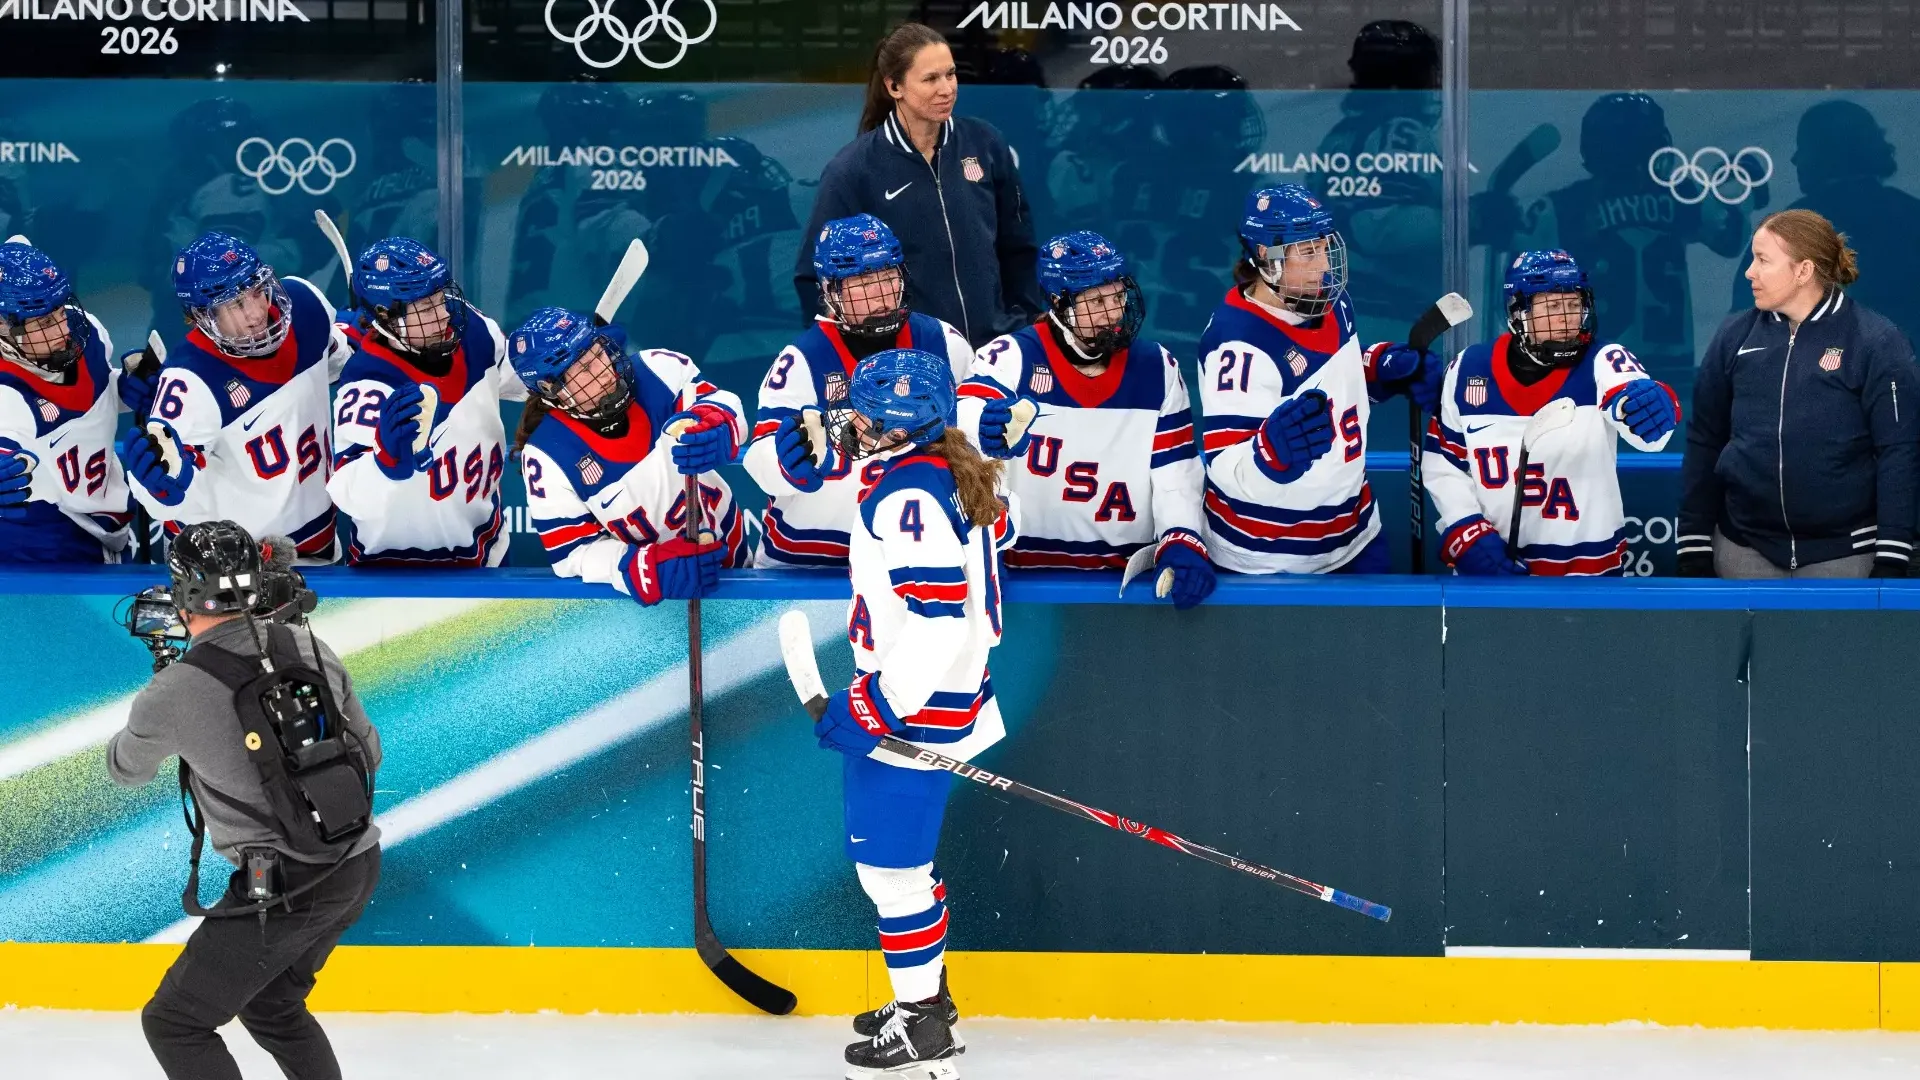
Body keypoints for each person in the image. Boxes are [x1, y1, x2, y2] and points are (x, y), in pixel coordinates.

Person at [108, 520, 382, 1080]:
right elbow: (369, 753)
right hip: (355, 864)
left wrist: (167, 687)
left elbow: (125, 770)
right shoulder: (307, 643)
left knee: (175, 1023)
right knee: (273, 1004)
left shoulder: (173, 691)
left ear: (182, 594)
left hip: (282, 885)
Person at [812, 346, 1013, 1079]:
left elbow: (938, 620)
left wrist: (875, 704)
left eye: (866, 412)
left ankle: (923, 1025)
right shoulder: (947, 471)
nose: (854, 421)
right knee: (906, 870)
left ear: (895, 423)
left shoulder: (908, 497)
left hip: (917, 711)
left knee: (891, 874)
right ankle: (925, 994)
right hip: (948, 697)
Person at [958, 230, 1214, 608]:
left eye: (1117, 295)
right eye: (1096, 301)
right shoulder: (1011, 357)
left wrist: (1183, 535)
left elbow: (1176, 472)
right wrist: (982, 427)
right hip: (1026, 580)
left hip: (1130, 583)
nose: (1112, 312)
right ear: (1059, 304)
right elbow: (966, 415)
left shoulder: (1157, 368)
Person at [1196, 184, 1444, 574]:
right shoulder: (1238, 343)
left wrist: (1380, 370)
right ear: (1267, 256)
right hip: (1268, 558)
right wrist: (1269, 454)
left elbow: (1335, 377)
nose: (1324, 266)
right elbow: (1225, 467)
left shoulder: (1330, 300)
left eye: (1324, 247)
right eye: (1308, 252)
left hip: (1355, 535)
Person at [1679, 210, 1919, 579]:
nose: (1749, 272)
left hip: (1844, 556)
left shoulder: (1875, 341)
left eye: (1762, 260)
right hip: (1743, 551)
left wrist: (1892, 551)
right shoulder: (1734, 336)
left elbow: (1899, 449)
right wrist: (1694, 541)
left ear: (1803, 271)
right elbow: (1704, 440)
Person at [1425, 250, 1678, 576]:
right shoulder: (1467, 369)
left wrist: (1650, 408)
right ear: (1518, 312)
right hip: (1494, 568)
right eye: (1552, 306)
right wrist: (1465, 530)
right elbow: (1445, 463)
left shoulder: (1604, 360)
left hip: (1588, 575)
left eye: (1573, 305)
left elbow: (1645, 430)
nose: (1566, 319)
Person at [795, 21, 1044, 347]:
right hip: (910, 363)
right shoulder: (853, 170)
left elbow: (1018, 248)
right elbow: (815, 278)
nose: (947, 88)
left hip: (994, 356)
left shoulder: (985, 143)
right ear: (894, 87)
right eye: (930, 79)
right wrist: (865, 351)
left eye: (951, 74)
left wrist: (1017, 326)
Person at [745, 214, 973, 568]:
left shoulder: (944, 344)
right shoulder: (803, 360)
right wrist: (783, 462)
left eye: (888, 276)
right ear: (830, 292)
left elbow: (973, 449)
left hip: (908, 560)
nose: (882, 294)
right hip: (809, 565)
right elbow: (758, 460)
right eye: (863, 283)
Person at [120, 232, 351, 562]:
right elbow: (166, 494)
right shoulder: (190, 381)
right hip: (234, 566)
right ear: (200, 316)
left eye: (257, 292)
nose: (256, 312)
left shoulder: (307, 304)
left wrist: (362, 341)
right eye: (235, 305)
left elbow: (337, 364)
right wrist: (158, 486)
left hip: (321, 546)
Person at [509, 307, 750, 602]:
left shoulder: (656, 368)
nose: (604, 371)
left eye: (598, 354)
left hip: (738, 567)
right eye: (584, 369)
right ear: (551, 388)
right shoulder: (546, 457)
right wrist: (643, 567)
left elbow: (720, 401)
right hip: (656, 602)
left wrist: (717, 423)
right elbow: (572, 555)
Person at [327, 237, 523, 566]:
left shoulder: (476, 332)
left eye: (440, 298)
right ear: (385, 314)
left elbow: (521, 382)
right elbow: (350, 496)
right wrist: (382, 464)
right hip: (391, 578)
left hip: (488, 562)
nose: (444, 314)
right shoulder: (368, 383)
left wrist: (564, 373)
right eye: (427, 308)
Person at [0, 240, 148, 562]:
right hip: (47, 540)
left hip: (106, 521)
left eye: (59, 311)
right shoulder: (6, 396)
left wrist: (122, 388)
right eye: (43, 322)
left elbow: (91, 392)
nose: (62, 330)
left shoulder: (88, 331)